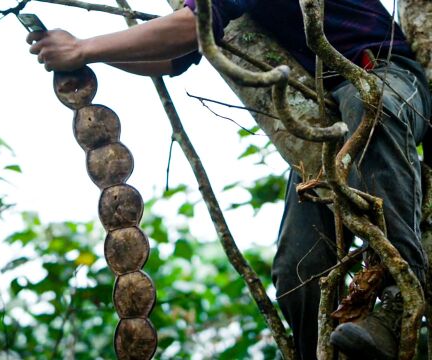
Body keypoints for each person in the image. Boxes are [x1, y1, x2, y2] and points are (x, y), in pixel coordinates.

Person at [27, 1, 432, 359]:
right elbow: (177, 55)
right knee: (297, 270)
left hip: (387, 76)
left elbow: (192, 24)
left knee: (368, 106)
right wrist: (85, 55)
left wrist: (84, 47)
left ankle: (402, 301)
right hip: (326, 117)